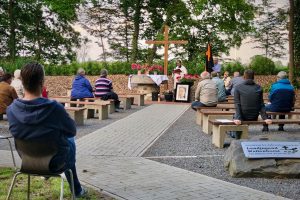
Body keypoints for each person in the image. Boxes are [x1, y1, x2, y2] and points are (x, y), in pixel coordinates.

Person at [6, 62, 87, 198]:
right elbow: (72, 131)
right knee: (69, 139)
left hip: (27, 161)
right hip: (56, 163)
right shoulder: (54, 108)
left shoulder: (11, 110)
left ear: (22, 81)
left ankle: (49, 176)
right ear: (42, 82)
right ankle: (77, 190)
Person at [232, 69, 272, 138]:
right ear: (253, 77)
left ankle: (236, 134)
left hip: (242, 117)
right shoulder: (259, 87)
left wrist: (238, 118)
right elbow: (261, 104)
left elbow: (237, 104)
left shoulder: (238, 87)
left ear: (244, 77)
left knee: (234, 116)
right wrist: (265, 117)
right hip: (254, 116)